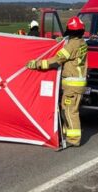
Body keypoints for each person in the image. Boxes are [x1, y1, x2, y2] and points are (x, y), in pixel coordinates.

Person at [26, 16, 88, 148]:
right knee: (68, 109)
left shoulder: (71, 46)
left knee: (69, 111)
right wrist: (63, 41)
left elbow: (57, 60)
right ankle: (67, 134)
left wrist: (37, 64)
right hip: (78, 83)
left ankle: (73, 139)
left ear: (70, 32)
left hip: (72, 85)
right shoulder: (82, 42)